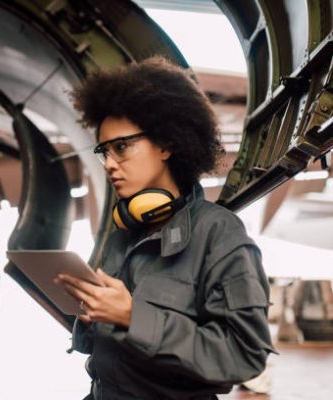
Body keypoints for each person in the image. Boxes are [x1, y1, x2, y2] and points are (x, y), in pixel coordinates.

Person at [55, 56, 276, 400]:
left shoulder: (218, 235)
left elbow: (244, 356)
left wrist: (132, 316)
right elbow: (101, 352)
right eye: (104, 152)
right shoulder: (121, 232)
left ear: (167, 144)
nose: (110, 164)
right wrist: (89, 318)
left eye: (122, 148)